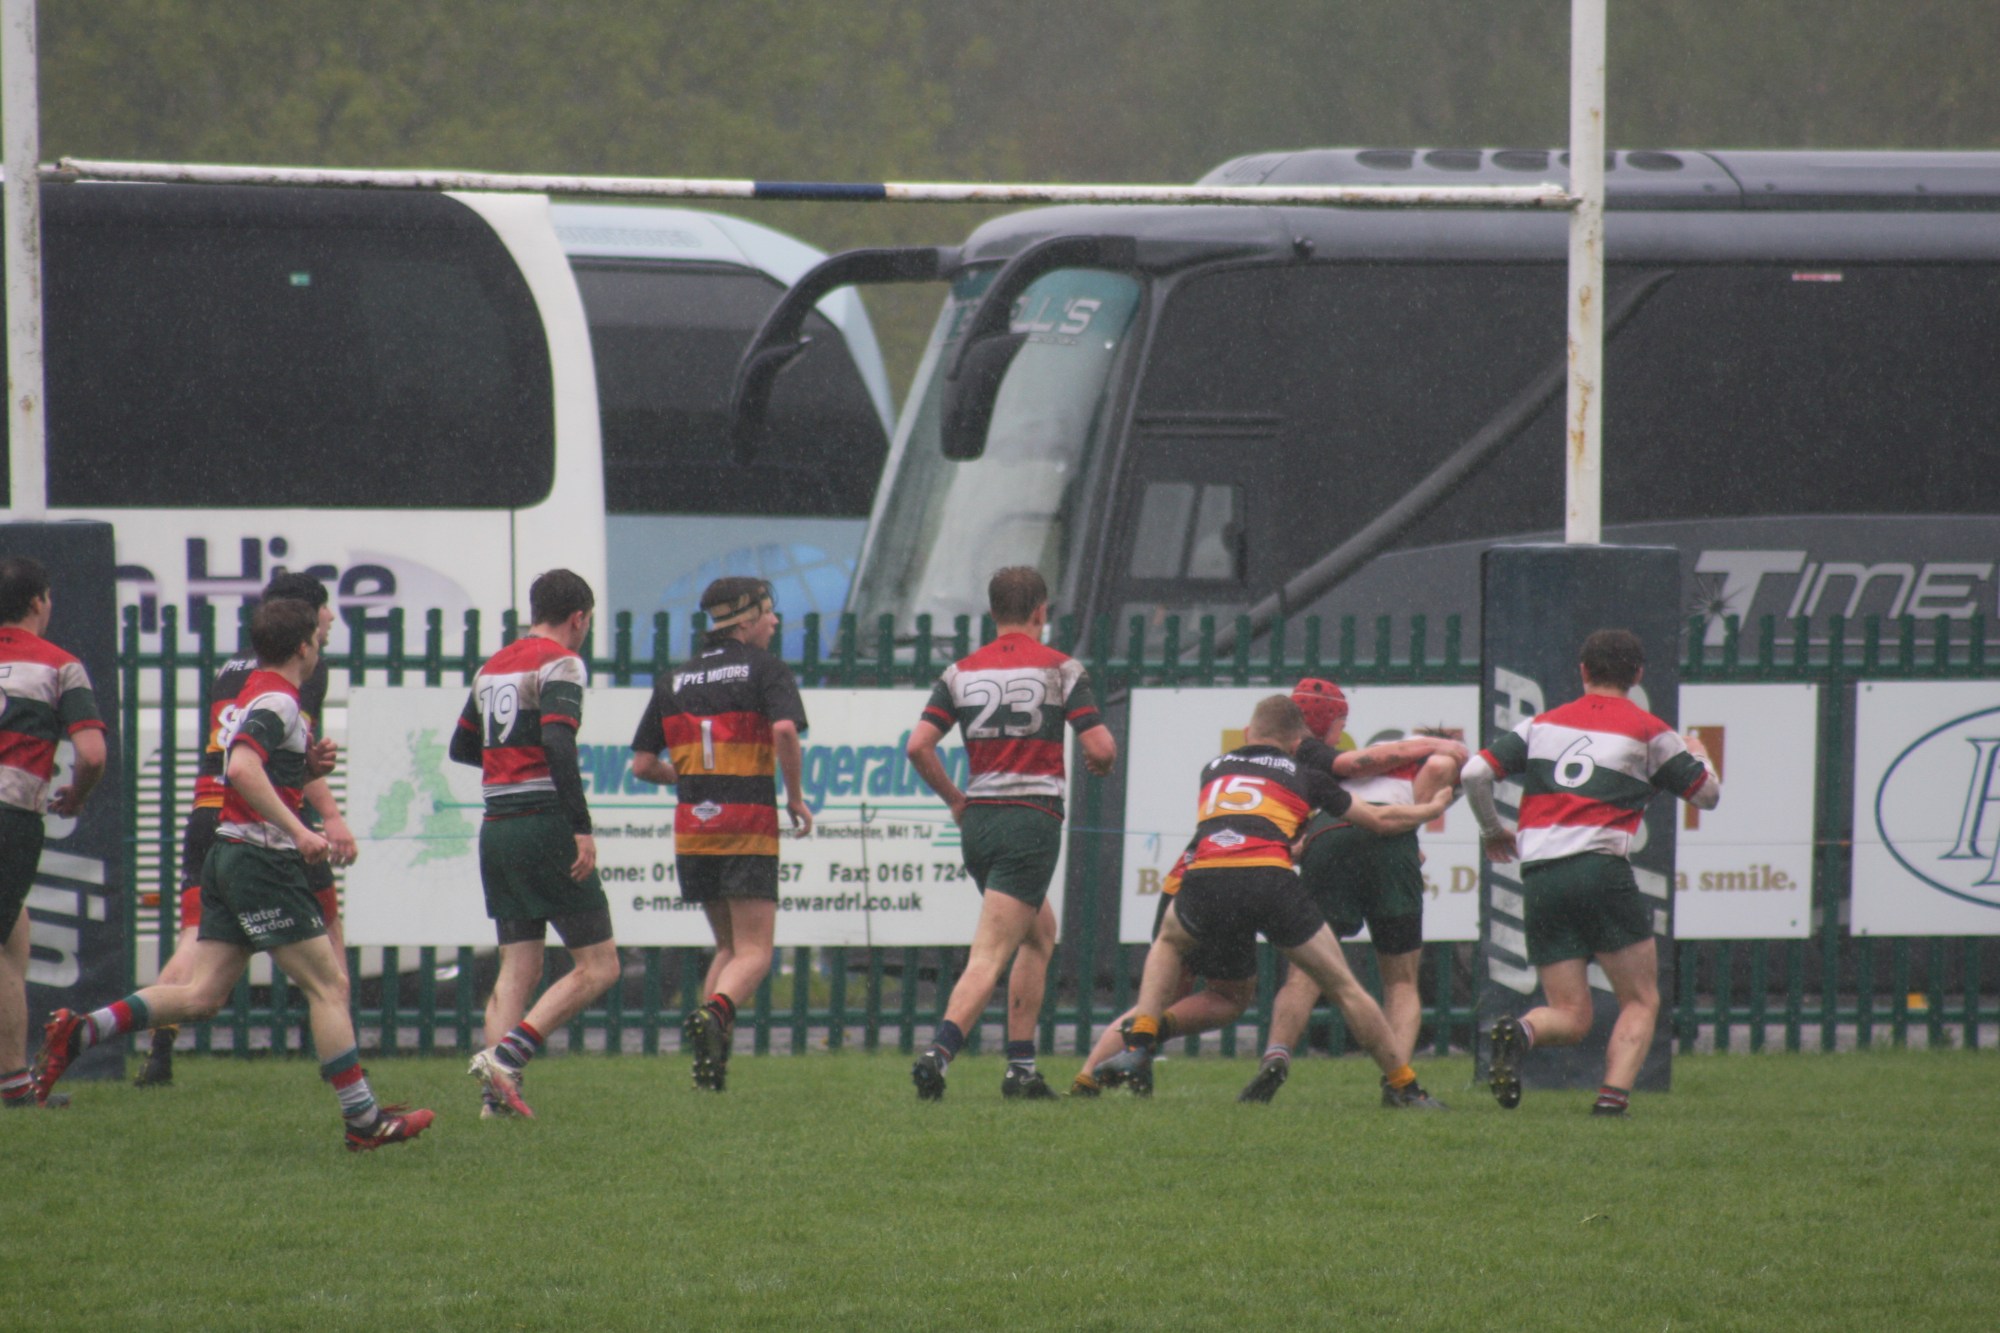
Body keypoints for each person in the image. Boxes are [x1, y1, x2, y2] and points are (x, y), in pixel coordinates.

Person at [33, 598, 432, 1149]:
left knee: (202, 996)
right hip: (261, 859)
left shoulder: (252, 690)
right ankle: (364, 1122)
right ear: (303, 647)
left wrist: (303, 766)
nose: (320, 647)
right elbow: (241, 768)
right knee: (330, 985)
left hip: (227, 853)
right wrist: (300, 830)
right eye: (318, 640)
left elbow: (251, 759)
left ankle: (83, 1031)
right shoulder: (281, 700)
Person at [1070, 681, 1463, 1097]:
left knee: (1173, 955)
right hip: (1266, 879)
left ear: (1247, 733)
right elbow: (1376, 816)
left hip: (1200, 877)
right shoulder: (1308, 774)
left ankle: (1128, 1050)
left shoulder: (1213, 768)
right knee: (1341, 984)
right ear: (1298, 742)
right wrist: (1433, 808)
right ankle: (1402, 1084)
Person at [1460, 628, 1720, 1116]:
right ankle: (1611, 1102)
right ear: (1637, 675)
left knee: (1570, 1014)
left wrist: (1493, 830)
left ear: (1582, 671)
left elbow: (1474, 772)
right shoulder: (1648, 729)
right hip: (1600, 870)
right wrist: (1698, 752)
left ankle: (1521, 1031)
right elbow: (1707, 795)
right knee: (1640, 999)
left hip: (1541, 875)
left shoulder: (1542, 725)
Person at [907, 567, 1116, 1101]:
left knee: (1039, 934)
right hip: (1030, 819)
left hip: (979, 822)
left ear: (993, 612)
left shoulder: (960, 672)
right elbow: (1101, 747)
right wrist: (1101, 763)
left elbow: (918, 746)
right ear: (1041, 611)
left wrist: (955, 799)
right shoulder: (1061, 668)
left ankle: (1021, 1069)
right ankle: (938, 1055)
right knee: (991, 952)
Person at [137, 572, 353, 1088]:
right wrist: (330, 817)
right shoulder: (301, 670)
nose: (330, 618)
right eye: (324, 609)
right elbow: (272, 759)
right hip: (263, 817)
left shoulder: (234, 665)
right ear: (304, 621)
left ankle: (157, 1051)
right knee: (329, 935)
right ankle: (345, 1058)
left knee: (193, 941)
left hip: (208, 814)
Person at [630, 576, 810, 1092]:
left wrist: (688, 778)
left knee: (728, 949)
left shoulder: (674, 679)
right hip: (746, 825)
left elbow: (643, 765)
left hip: (695, 830)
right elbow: (784, 730)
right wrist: (794, 797)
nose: (775, 621)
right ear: (747, 619)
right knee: (755, 953)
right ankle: (714, 1015)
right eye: (769, 612)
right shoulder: (766, 669)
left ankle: (710, 1067)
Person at [454, 569, 620, 1119]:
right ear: (579, 617)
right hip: (543, 822)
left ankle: (494, 1102)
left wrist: (508, 764)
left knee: (517, 968)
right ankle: (507, 1057)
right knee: (600, 966)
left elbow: (462, 746)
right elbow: (557, 741)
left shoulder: (492, 667)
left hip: (497, 827)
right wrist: (580, 826)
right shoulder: (561, 662)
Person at [1241, 724, 1464, 1105]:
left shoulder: (1344, 765)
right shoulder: (1433, 758)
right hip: (1388, 840)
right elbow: (1440, 767)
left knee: (1303, 973)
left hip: (1328, 834)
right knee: (1401, 981)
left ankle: (1276, 1053)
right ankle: (1398, 1084)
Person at [0, 557, 107, 1110]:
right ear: (39, 601)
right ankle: (14, 1084)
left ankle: (14, 1080)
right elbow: (92, 753)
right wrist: (78, 795)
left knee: (11, 934)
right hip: (10, 816)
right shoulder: (59, 664)